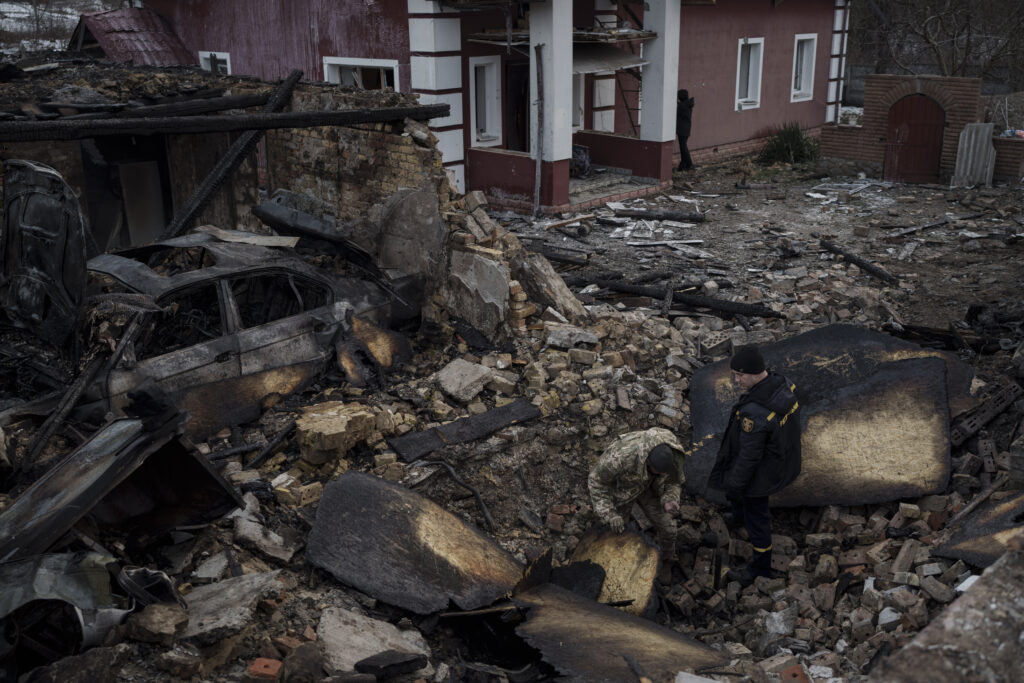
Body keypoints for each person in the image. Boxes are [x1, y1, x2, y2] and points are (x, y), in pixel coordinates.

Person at [708, 345, 801, 586]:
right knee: (743, 501)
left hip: (762, 473)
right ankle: (738, 515)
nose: (736, 380)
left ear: (753, 373)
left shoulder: (755, 414)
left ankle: (760, 567)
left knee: (757, 516)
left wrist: (734, 487)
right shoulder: (781, 383)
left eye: (739, 375)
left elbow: (749, 457)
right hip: (783, 457)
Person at [588, 427, 686, 584]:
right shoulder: (619, 457)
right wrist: (610, 514)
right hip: (622, 491)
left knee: (669, 529)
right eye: (657, 472)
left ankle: (665, 560)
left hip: (650, 489)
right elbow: (597, 482)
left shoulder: (672, 451)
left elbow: (673, 481)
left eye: (663, 473)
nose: (661, 474)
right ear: (647, 461)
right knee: (618, 531)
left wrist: (670, 498)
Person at [676, 89, 695, 171]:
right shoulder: (688, 104)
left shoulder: (682, 106)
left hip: (682, 129)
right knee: (683, 147)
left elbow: (680, 108)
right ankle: (683, 164)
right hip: (686, 128)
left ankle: (689, 164)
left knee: (683, 147)